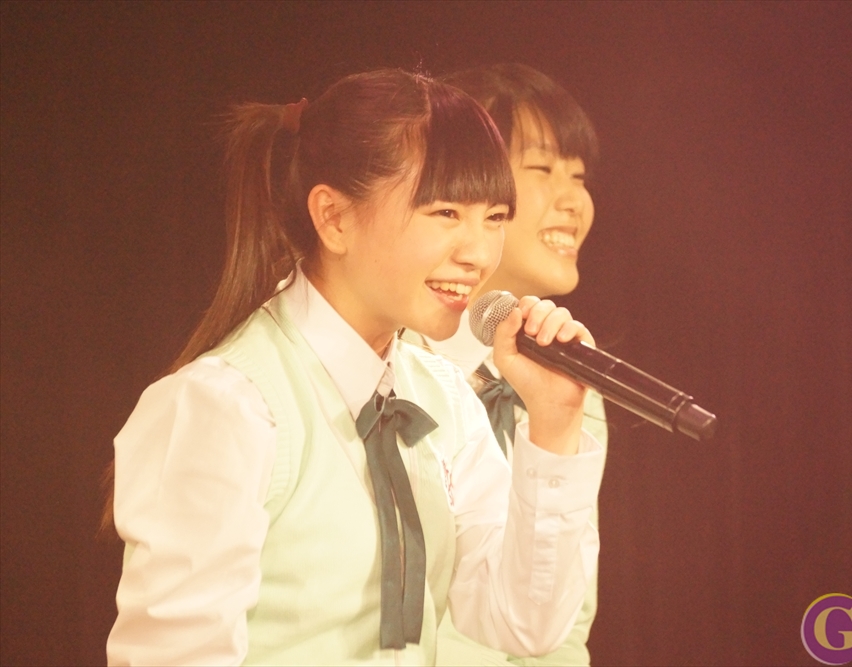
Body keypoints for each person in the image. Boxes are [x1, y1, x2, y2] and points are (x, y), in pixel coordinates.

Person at [105, 69, 605, 666]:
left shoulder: (442, 396)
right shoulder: (227, 406)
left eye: (494, 217)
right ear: (334, 218)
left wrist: (553, 425)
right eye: (445, 212)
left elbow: (522, 624)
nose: (478, 253)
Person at [407, 64, 606, 667]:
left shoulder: (569, 374)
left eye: (579, 176)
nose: (573, 201)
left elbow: (567, 616)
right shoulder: (389, 358)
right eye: (542, 169)